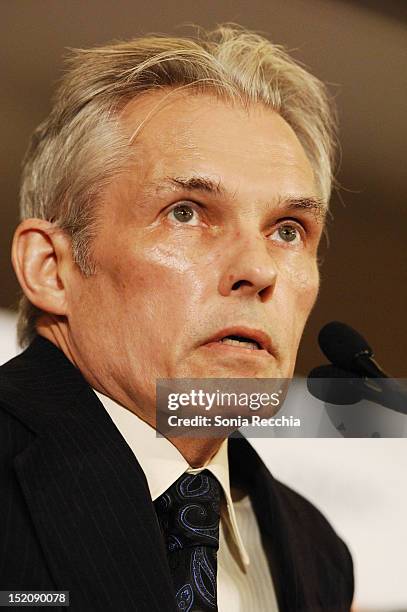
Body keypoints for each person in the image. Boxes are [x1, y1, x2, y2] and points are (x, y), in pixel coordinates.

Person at [0, 25, 354, 611]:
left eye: (288, 230)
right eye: (186, 213)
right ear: (51, 269)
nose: (259, 270)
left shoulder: (315, 549)